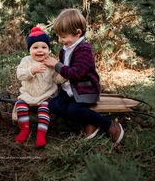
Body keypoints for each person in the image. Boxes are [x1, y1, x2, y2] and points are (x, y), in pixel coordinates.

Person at [45, 8, 124, 144]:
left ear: (77, 33)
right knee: (52, 105)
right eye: (59, 36)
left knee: (73, 111)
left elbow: (76, 74)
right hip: (68, 90)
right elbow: (63, 73)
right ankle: (90, 123)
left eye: (63, 37)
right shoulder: (64, 50)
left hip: (85, 90)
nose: (60, 40)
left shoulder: (84, 49)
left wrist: (56, 65)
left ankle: (109, 125)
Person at [13, 27, 65, 148]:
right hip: (28, 94)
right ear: (29, 50)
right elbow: (20, 75)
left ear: (48, 49)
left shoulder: (50, 62)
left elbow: (57, 78)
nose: (40, 50)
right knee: (20, 105)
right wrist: (32, 70)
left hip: (45, 95)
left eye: (44, 47)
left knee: (44, 109)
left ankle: (41, 135)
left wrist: (65, 74)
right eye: (35, 47)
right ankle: (24, 129)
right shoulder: (26, 61)